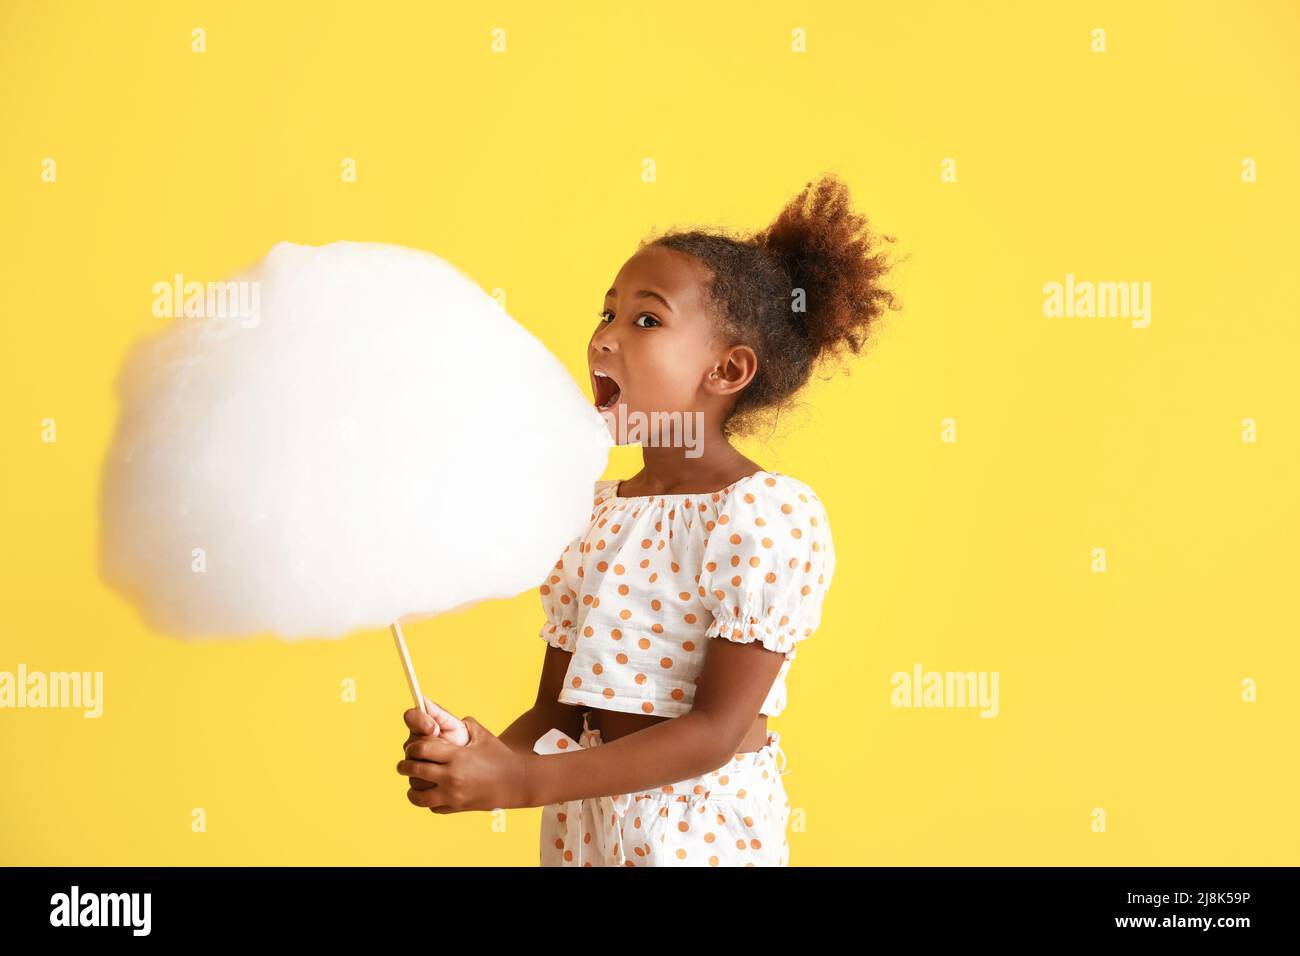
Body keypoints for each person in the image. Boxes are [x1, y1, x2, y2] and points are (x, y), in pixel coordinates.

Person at [396, 172, 899, 865]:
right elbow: (561, 712)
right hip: (586, 826)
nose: (604, 339)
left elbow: (714, 732)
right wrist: (480, 761)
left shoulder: (763, 516)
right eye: (606, 314)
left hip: (697, 834)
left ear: (726, 371)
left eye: (646, 319)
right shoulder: (592, 512)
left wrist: (523, 781)